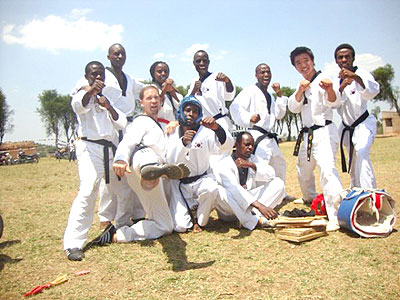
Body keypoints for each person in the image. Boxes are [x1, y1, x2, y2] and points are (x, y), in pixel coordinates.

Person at [90, 86, 189, 245]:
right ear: (141, 102)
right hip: (141, 160)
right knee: (146, 155)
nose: (154, 101)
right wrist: (121, 159)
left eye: (156, 97)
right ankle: (148, 172)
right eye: (149, 98)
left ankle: (117, 235)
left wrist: (176, 123)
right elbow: (129, 141)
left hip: (157, 170)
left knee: (165, 226)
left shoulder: (162, 125)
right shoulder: (140, 121)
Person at [63, 61, 131, 261]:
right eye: (94, 75)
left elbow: (121, 122)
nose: (98, 78)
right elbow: (78, 106)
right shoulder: (80, 92)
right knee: (88, 190)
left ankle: (120, 226)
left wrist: (108, 106)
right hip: (89, 147)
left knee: (124, 187)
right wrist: (90, 91)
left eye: (101, 74)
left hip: (109, 147)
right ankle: (73, 243)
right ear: (87, 76)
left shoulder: (108, 94)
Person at [288, 46, 343, 231]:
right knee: (303, 170)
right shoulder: (302, 84)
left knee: (327, 171)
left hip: (324, 131)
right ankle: (310, 198)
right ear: (295, 67)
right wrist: (300, 91)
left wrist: (329, 89)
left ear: (312, 60)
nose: (303, 65)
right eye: (298, 63)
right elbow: (293, 108)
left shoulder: (325, 80)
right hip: (307, 135)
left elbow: (335, 102)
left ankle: (336, 215)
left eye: (306, 61)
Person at [166, 96, 232, 233]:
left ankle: (200, 220)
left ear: (199, 114)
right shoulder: (172, 133)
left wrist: (217, 128)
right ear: (180, 112)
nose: (190, 114)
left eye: (195, 111)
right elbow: (169, 161)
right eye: (187, 110)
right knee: (181, 227)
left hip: (202, 179)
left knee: (211, 188)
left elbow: (224, 147)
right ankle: (192, 208)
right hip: (180, 184)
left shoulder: (206, 132)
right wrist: (183, 143)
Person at [98, 43, 145, 230]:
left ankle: (136, 213)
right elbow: (88, 89)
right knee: (109, 176)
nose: (119, 57)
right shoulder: (103, 75)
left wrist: (161, 88)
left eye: (122, 54)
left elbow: (145, 89)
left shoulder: (129, 78)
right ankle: (105, 218)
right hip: (109, 129)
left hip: (128, 128)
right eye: (116, 54)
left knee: (130, 173)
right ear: (108, 56)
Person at [230, 63, 294, 201]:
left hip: (269, 136)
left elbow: (279, 114)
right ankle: (259, 198)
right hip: (257, 136)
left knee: (279, 163)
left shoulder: (270, 95)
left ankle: (280, 193)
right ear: (256, 75)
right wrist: (248, 118)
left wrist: (279, 94)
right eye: (262, 72)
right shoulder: (250, 91)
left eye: (268, 72)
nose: (266, 75)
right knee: (260, 168)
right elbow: (234, 108)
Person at [333, 43, 380, 189]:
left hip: (363, 123)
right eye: (340, 57)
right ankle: (356, 190)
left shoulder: (362, 74)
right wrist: (341, 87)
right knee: (352, 160)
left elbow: (373, 91)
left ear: (353, 58)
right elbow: (333, 104)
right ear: (336, 61)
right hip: (346, 126)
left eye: (347, 56)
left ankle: (369, 193)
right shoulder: (336, 80)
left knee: (362, 153)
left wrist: (355, 77)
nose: (344, 59)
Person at [232, 131, 285, 215]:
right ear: (236, 144)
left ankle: (255, 215)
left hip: (250, 199)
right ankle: (248, 215)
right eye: (247, 144)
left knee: (279, 183)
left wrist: (252, 165)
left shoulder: (253, 159)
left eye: (252, 145)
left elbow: (271, 174)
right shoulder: (226, 161)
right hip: (232, 202)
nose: (250, 148)